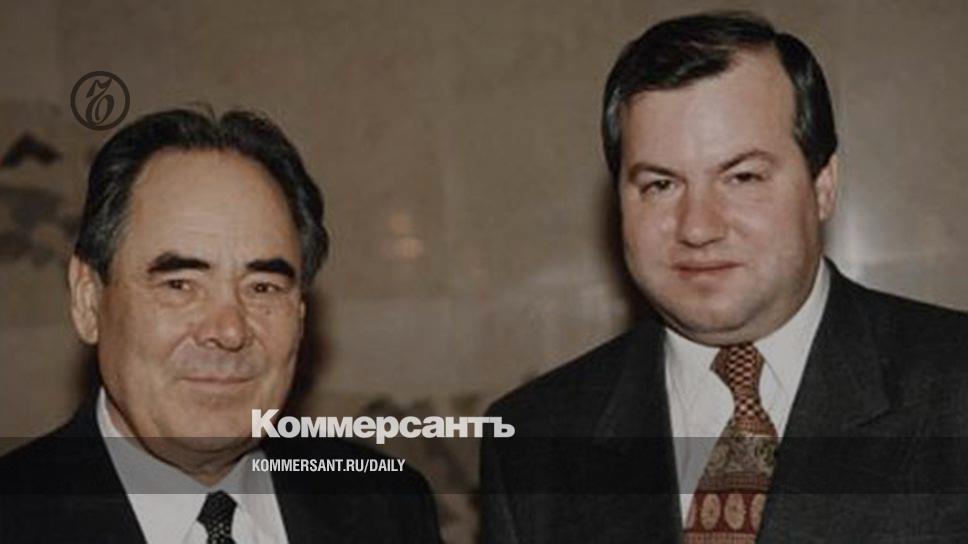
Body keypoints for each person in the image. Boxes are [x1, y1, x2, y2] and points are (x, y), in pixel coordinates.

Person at [480, 11, 968, 543]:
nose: (698, 227)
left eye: (742, 177)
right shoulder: (533, 442)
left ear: (822, 186)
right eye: (660, 185)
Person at [0, 108, 441, 543]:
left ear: (301, 314)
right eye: (180, 284)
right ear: (88, 299)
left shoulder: (389, 505)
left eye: (263, 287)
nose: (229, 331)